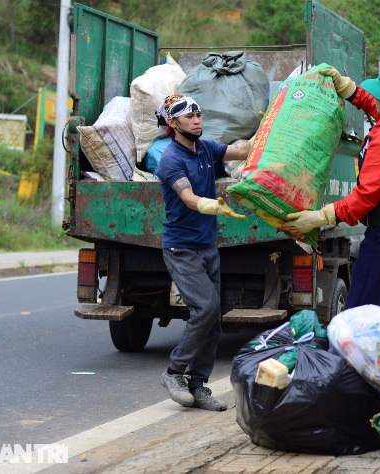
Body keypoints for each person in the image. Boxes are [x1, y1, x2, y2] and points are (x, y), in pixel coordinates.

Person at [283, 64, 380, 310]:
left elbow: (365, 197)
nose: (374, 99)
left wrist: (321, 217)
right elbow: (378, 109)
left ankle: (348, 349)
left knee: (360, 310)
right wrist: (349, 89)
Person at [155, 94, 251, 409]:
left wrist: (267, 130)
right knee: (205, 308)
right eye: (189, 116)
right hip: (181, 248)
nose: (197, 120)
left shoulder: (206, 148)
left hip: (207, 245)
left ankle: (198, 386)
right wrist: (217, 206)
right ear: (173, 123)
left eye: (199, 114)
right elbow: (188, 198)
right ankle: (174, 372)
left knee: (215, 319)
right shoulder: (171, 159)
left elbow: (241, 151)